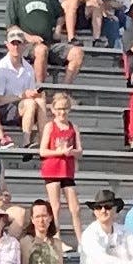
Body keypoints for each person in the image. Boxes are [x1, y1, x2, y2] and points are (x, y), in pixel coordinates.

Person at [6, 0, 84, 86]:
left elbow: (60, 15)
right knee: (41, 50)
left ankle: (64, 90)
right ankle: (40, 89)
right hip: (26, 45)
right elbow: (11, 27)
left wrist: (58, 30)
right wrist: (29, 37)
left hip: (50, 43)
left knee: (77, 53)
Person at [38, 91, 82, 248]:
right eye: (59, 109)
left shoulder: (73, 127)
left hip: (67, 170)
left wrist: (71, 152)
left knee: (75, 207)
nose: (62, 112)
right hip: (52, 169)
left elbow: (80, 151)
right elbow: (42, 151)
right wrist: (59, 152)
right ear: (53, 110)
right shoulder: (50, 126)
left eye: (65, 108)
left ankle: (81, 240)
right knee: (55, 206)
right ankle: (57, 239)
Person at [0, 27, 47, 149]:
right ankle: (26, 141)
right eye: (13, 43)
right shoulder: (1, 68)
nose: (16, 47)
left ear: (24, 46)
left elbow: (30, 94)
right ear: (7, 45)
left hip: (21, 108)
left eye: (18, 43)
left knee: (40, 101)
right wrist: (21, 96)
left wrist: (32, 95)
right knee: (30, 104)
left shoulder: (28, 68)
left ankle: (43, 141)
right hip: (4, 109)